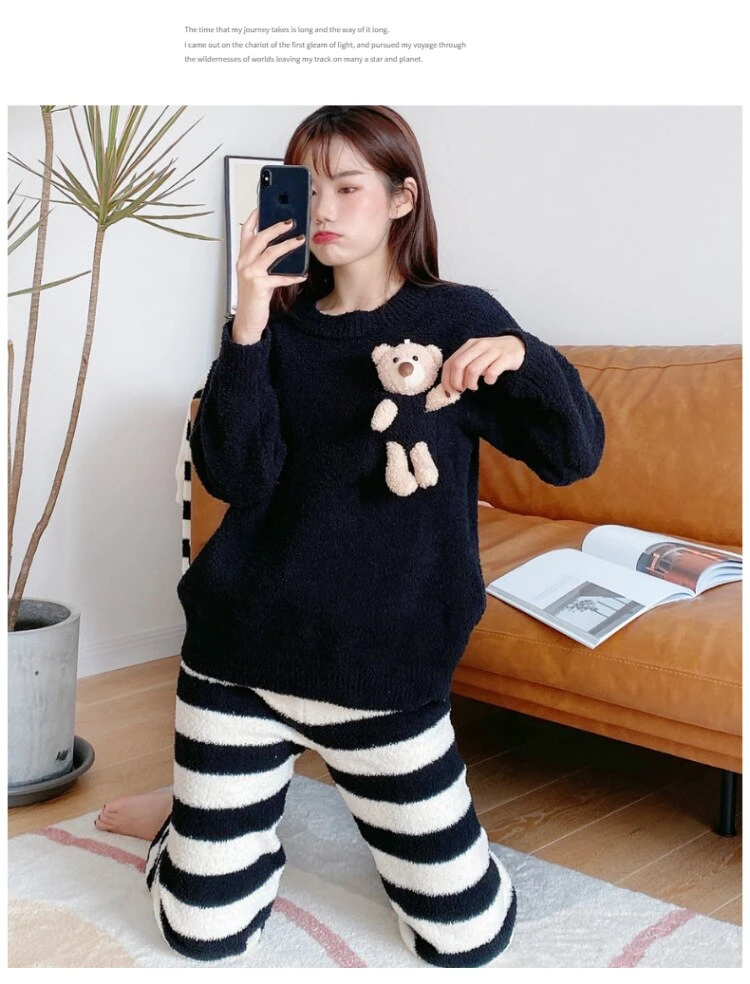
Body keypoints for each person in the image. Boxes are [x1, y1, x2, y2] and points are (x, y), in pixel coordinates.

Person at [95, 105, 605, 966]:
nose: (322, 208)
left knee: (465, 942)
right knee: (200, 935)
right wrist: (248, 320)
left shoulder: (458, 319)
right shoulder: (276, 330)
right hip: (239, 662)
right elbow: (234, 477)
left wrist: (527, 357)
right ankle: (187, 827)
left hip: (384, 678)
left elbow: (572, 456)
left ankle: (218, 816)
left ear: (403, 197)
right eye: (307, 187)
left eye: (347, 186)